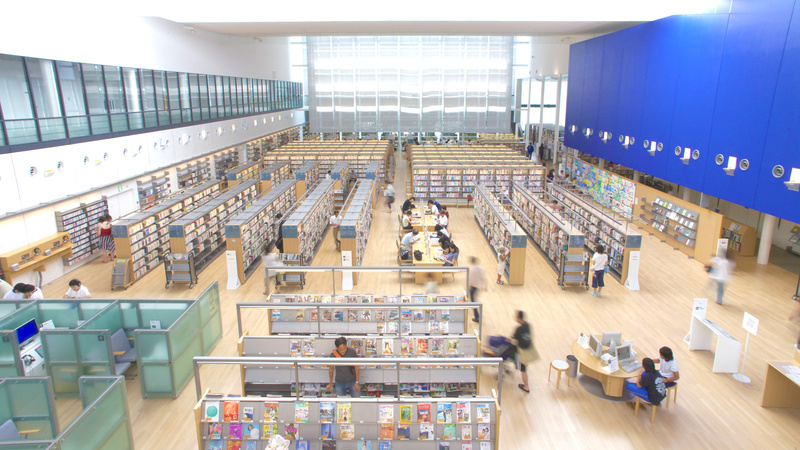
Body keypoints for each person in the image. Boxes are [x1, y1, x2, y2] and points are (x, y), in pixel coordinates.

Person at [507, 310, 538, 393]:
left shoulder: (518, 329)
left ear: (518, 318)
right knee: (521, 365)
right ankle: (515, 369)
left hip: (522, 352)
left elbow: (512, 339)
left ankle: (526, 387)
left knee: (523, 370)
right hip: (528, 350)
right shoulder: (527, 325)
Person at [468, 257, 487, 323]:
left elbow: (471, 280)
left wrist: (469, 286)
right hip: (478, 286)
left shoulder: (472, 270)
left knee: (473, 301)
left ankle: (477, 317)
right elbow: (483, 278)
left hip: (473, 287)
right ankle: (477, 314)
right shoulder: (481, 268)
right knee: (474, 300)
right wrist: (485, 286)